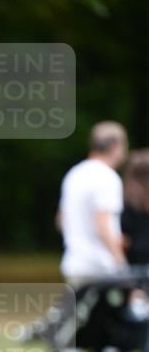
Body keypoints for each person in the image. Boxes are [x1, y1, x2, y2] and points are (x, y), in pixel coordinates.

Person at [56, 121, 128, 289]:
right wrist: (120, 262)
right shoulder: (107, 177)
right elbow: (102, 224)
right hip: (100, 268)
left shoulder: (74, 174)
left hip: (75, 264)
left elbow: (61, 220)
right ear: (115, 145)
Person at [121, 149, 149, 352]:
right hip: (139, 277)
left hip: (131, 277)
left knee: (133, 328)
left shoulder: (124, 203)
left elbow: (122, 241)